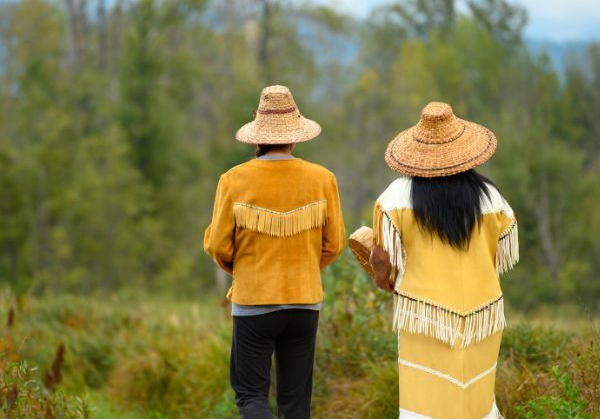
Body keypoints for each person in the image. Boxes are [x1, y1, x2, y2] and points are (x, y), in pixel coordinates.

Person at [369, 102, 518, 419]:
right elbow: (500, 247)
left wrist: (383, 278)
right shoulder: (492, 198)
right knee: (477, 401)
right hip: (483, 314)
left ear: (418, 151)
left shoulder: (396, 196)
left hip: (425, 315)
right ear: (465, 150)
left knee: (425, 402)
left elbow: (382, 257)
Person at [204, 85, 345, 419]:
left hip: (254, 301)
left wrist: (245, 271)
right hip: (304, 301)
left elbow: (218, 246)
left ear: (257, 138)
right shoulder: (323, 179)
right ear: (295, 136)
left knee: (251, 397)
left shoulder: (234, 180)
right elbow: (335, 244)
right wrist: (306, 267)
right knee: (296, 405)